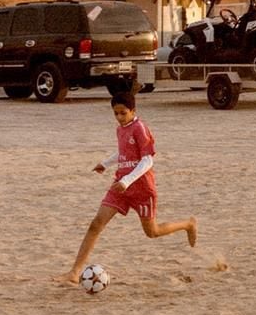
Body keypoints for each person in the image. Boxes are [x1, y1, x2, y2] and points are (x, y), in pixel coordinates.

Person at [62, 83, 198, 283]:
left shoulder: (140, 128)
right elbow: (123, 152)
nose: (119, 117)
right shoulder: (121, 129)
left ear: (133, 110)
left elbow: (147, 159)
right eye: (115, 113)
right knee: (96, 224)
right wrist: (105, 163)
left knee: (152, 232)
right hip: (120, 187)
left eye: (123, 113)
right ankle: (74, 272)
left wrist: (127, 180)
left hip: (141, 188)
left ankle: (188, 224)